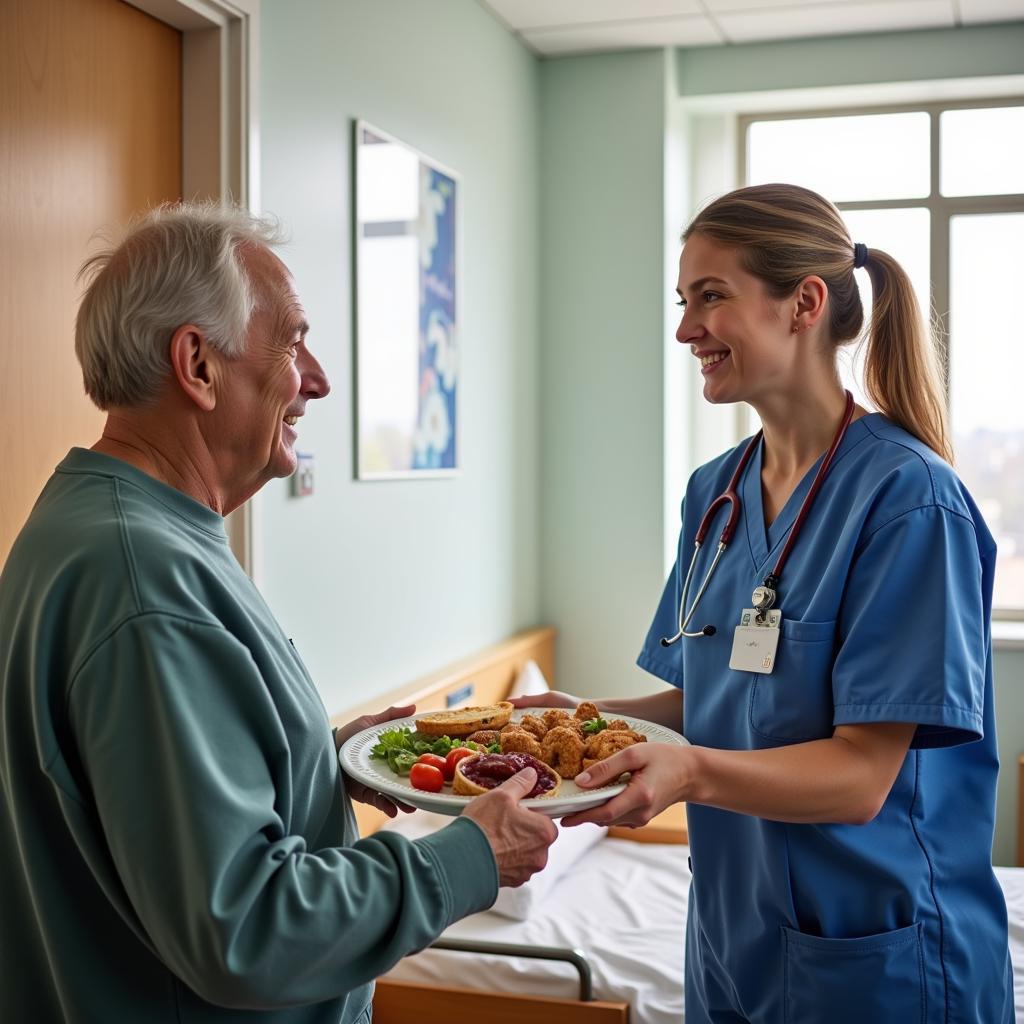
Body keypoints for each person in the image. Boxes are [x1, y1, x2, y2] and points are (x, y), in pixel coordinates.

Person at [0, 202, 557, 1023]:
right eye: (293, 342)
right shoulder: (145, 581)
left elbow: (140, 803)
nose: (319, 378)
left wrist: (318, 764)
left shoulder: (109, 526)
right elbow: (248, 933)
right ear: (198, 364)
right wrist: (467, 857)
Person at [515, 183, 1012, 1022]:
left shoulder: (909, 502)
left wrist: (688, 773)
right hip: (730, 941)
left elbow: (860, 776)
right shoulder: (717, 496)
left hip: (875, 960)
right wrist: (584, 716)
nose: (685, 330)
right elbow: (707, 700)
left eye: (712, 297)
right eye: (683, 302)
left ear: (804, 304)